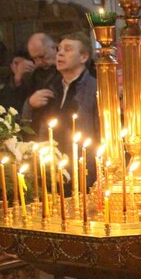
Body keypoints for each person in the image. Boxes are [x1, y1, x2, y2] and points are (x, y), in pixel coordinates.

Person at [22, 33, 99, 185]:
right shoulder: (51, 86)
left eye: (68, 49)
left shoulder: (95, 88)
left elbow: (99, 131)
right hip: (52, 169)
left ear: (83, 57)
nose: (60, 53)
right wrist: (29, 105)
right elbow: (29, 125)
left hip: (84, 169)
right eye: (59, 49)